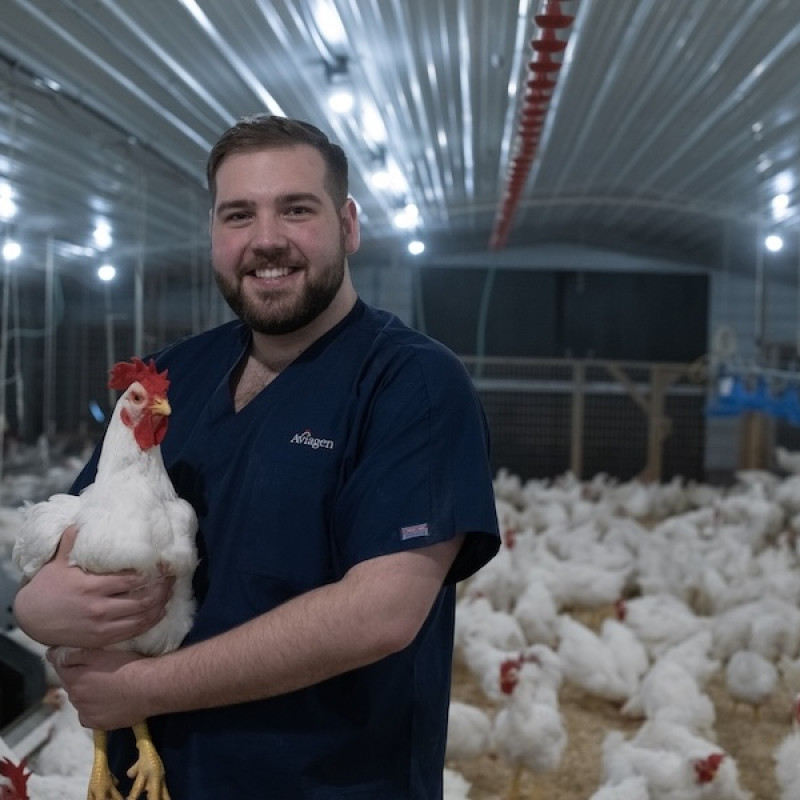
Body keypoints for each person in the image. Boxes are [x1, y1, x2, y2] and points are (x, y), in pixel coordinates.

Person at [13, 114, 500, 799]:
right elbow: (71, 543)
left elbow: (380, 614)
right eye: (239, 214)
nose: (266, 239)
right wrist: (37, 610)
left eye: (296, 209)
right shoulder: (171, 379)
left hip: (322, 785)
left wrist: (145, 687)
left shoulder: (410, 382)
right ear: (214, 233)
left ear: (348, 225)